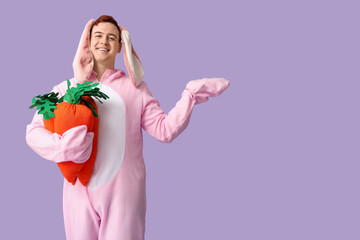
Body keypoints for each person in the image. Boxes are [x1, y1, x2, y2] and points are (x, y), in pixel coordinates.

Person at [26, 15, 229, 240]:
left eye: (112, 37)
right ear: (87, 41)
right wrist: (63, 147)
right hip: (77, 193)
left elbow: (165, 130)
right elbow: (34, 131)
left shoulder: (137, 90)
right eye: (99, 35)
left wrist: (190, 95)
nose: (104, 41)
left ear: (121, 46)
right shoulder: (66, 88)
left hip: (123, 194)